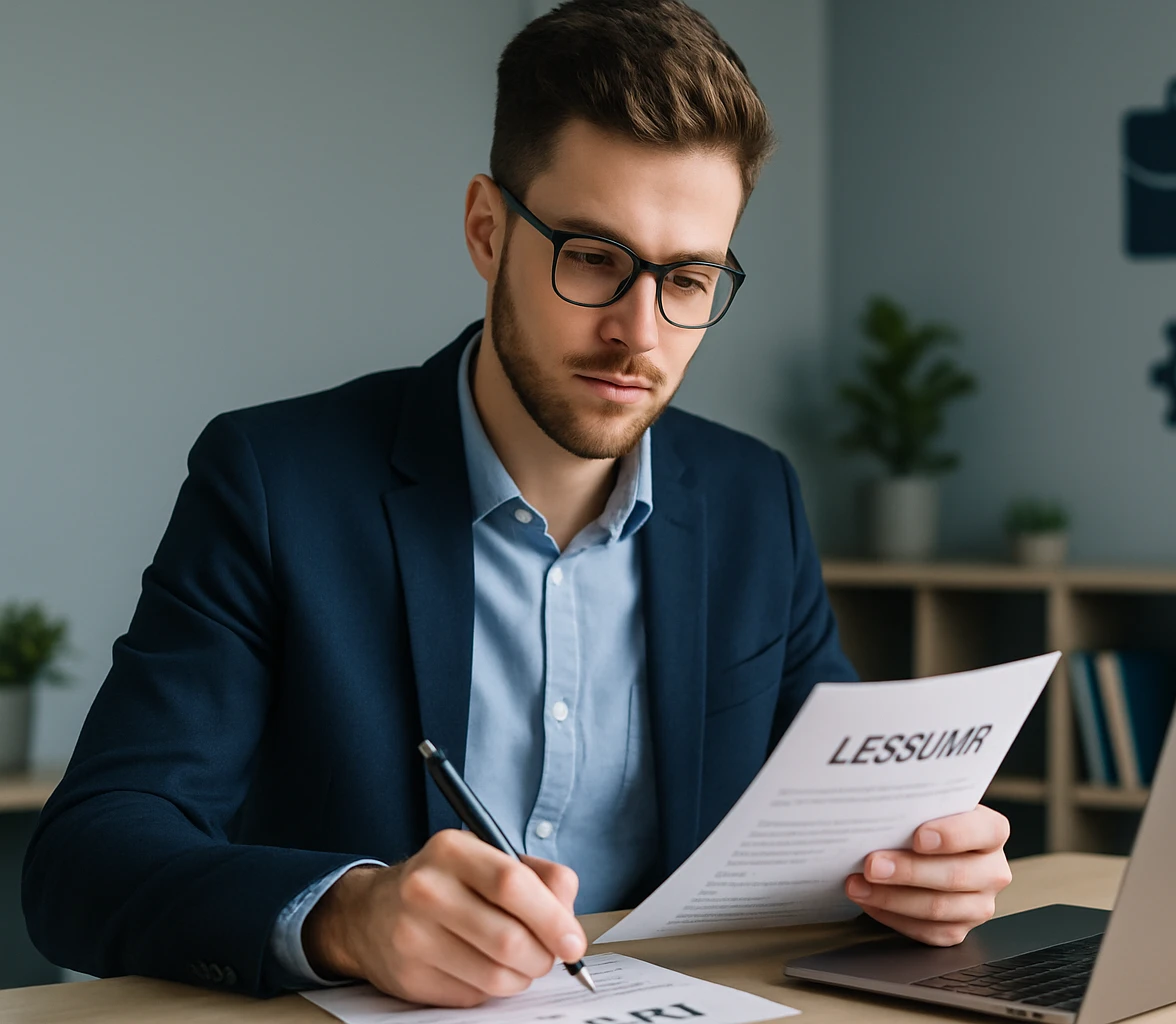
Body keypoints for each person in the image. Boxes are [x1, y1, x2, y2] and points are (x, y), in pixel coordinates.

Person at [22, 0, 1012, 1007]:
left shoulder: (756, 500)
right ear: (487, 232)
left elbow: (841, 811)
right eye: (592, 258)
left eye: (691, 278)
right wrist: (348, 914)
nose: (642, 331)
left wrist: (919, 868)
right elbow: (83, 862)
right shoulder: (275, 483)